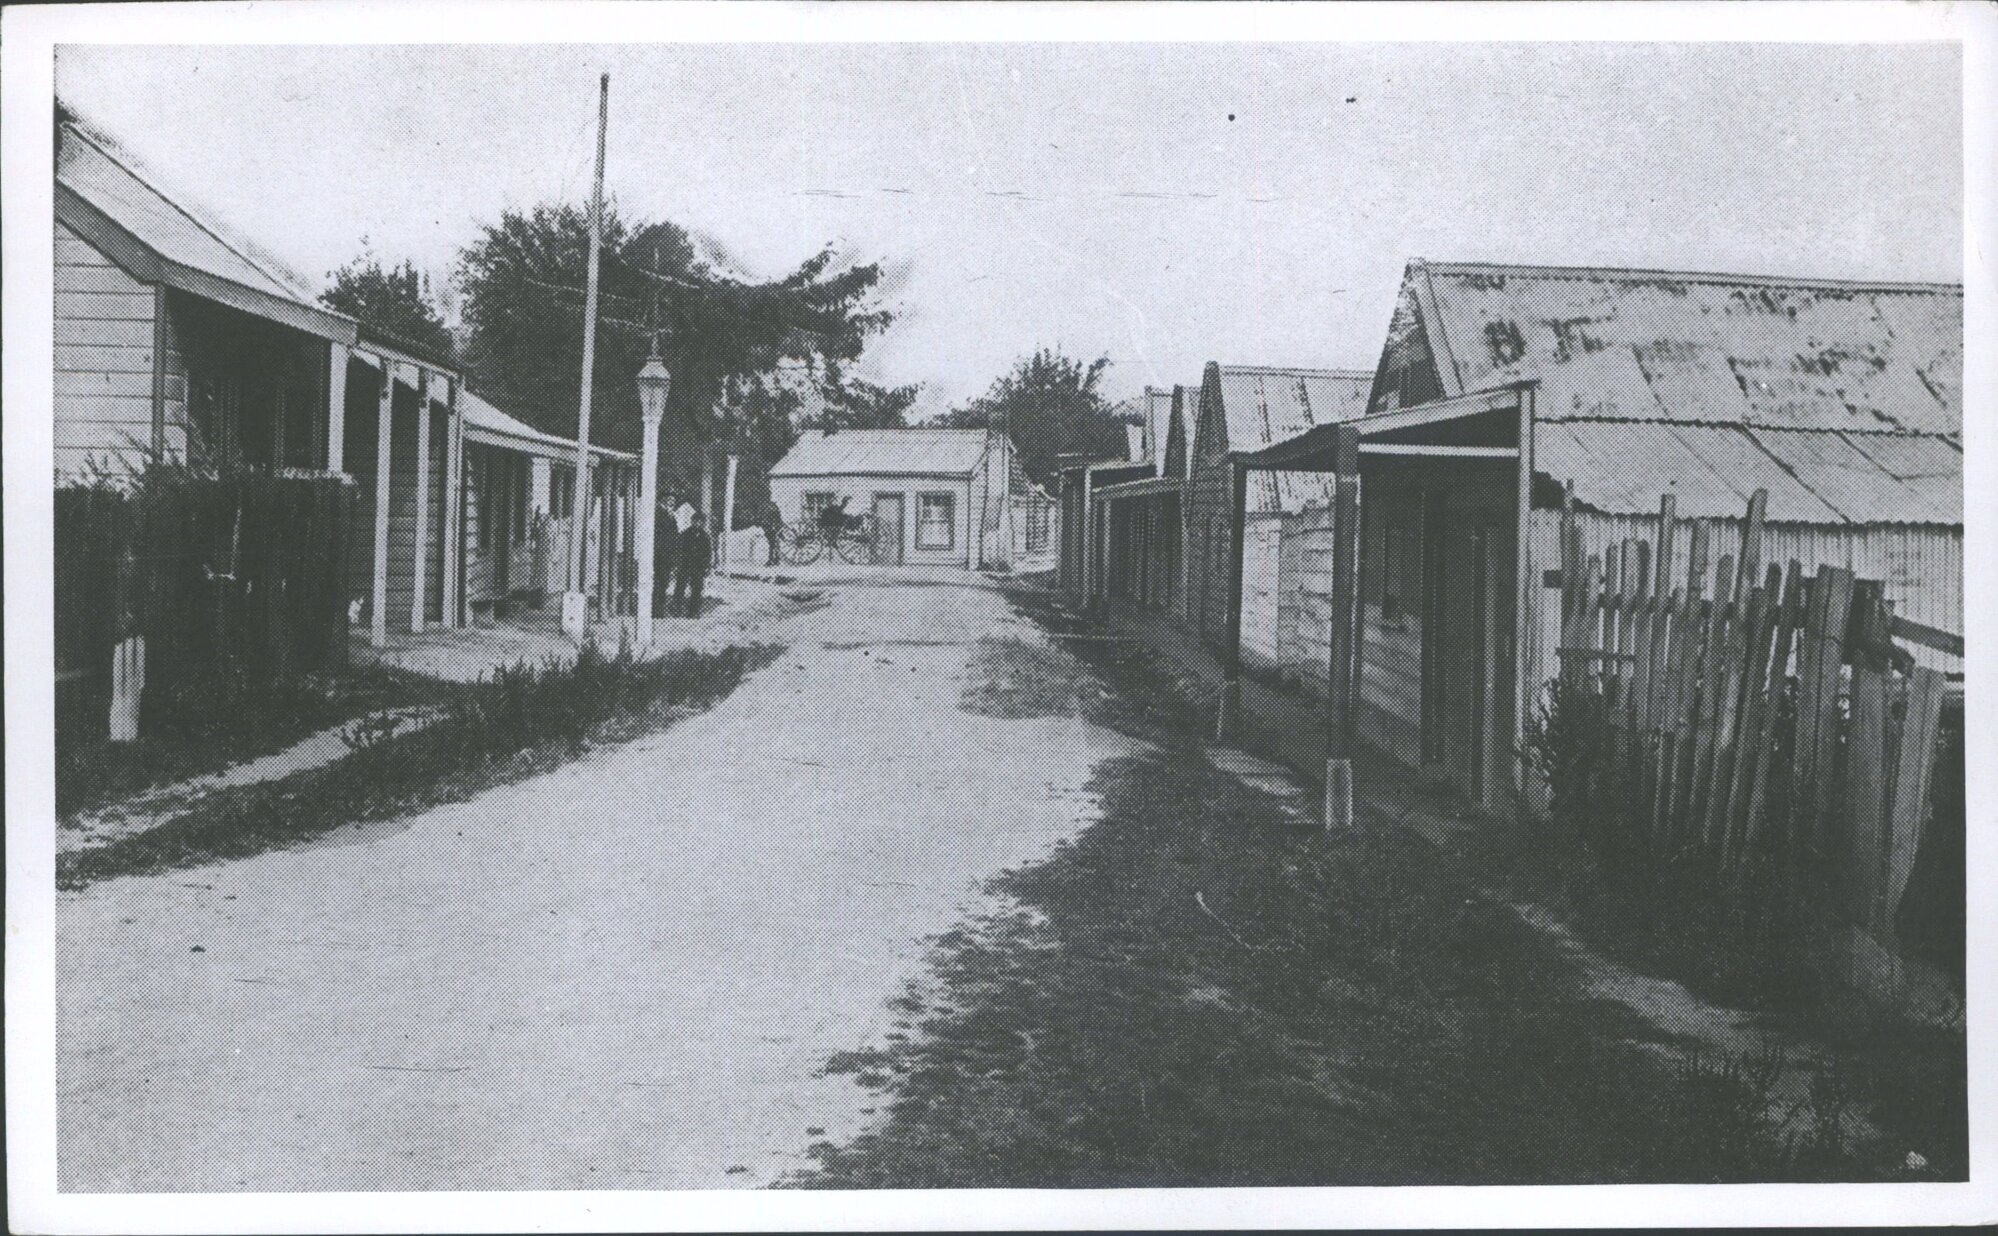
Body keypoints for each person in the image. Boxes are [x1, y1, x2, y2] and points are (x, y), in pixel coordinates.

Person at [673, 511, 713, 618]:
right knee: (680, 588)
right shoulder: (685, 534)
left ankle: (693, 612)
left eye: (700, 522)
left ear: (703, 523)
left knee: (697, 589)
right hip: (685, 565)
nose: (697, 523)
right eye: (695, 521)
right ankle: (677, 609)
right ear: (692, 521)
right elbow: (678, 549)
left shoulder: (705, 536)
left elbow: (708, 553)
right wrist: (677, 564)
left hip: (698, 567)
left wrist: (707, 567)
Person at [652, 490, 681, 618]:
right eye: (670, 501)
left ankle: (659, 609)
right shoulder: (659, 513)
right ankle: (657, 610)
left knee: (663, 582)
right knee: (660, 582)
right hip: (660, 554)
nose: (672, 503)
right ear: (663, 500)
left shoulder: (669, 514)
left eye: (673, 501)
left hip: (667, 554)